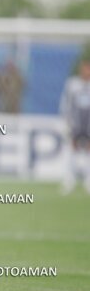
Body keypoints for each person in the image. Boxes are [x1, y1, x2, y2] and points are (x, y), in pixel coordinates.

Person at [60, 57, 90, 195]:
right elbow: (66, 103)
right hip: (75, 123)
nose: (86, 71)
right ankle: (69, 180)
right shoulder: (72, 84)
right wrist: (66, 121)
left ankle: (87, 180)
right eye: (84, 68)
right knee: (72, 149)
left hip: (88, 123)